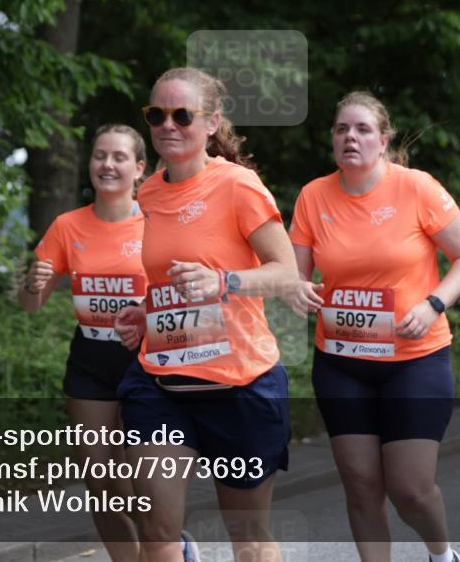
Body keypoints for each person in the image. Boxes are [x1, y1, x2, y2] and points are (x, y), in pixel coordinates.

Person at [287, 91, 460, 562]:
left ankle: (441, 555)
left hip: (415, 359)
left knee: (410, 489)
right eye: (341, 129)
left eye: (362, 129)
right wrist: (296, 291)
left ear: (383, 139)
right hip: (341, 361)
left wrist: (434, 303)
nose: (350, 137)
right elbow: (295, 275)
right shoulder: (315, 195)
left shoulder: (417, 187)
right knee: (360, 484)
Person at [114, 67, 298, 562]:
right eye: (157, 114)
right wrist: (144, 311)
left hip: (240, 383)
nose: (167, 125)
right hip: (163, 383)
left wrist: (224, 282)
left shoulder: (240, 186)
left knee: (250, 538)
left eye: (182, 115)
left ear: (212, 122)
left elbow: (286, 273)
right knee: (155, 529)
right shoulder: (149, 192)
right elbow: (167, 280)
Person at [20, 123, 148, 562]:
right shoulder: (67, 225)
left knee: (137, 485)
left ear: (139, 169)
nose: (107, 165)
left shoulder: (157, 225)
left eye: (118, 157)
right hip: (90, 358)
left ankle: (169, 545)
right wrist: (33, 283)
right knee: (99, 480)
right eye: (99, 156)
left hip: (145, 362)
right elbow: (30, 305)